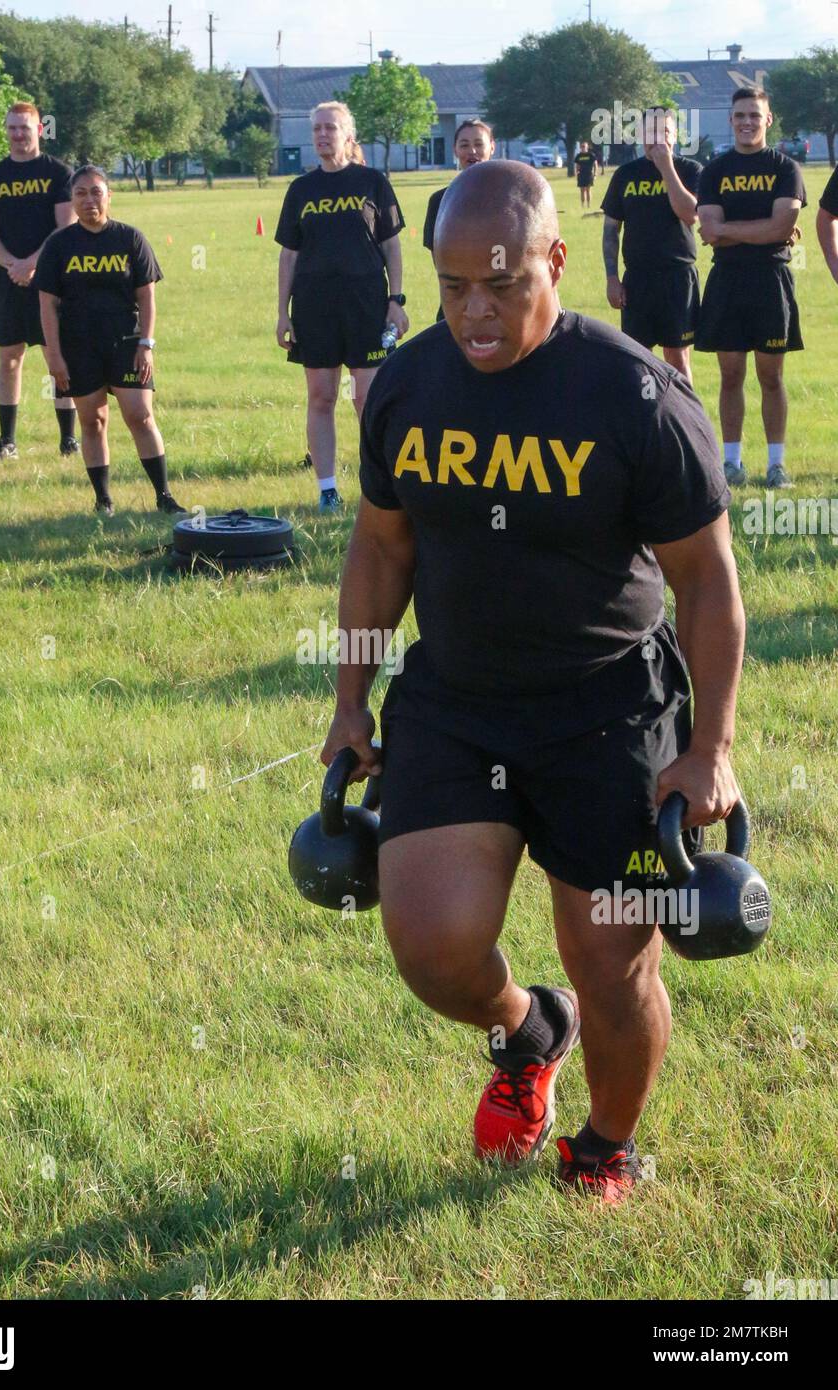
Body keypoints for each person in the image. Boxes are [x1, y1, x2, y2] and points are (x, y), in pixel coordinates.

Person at [321, 161, 742, 1205]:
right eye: (453, 283)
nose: (474, 310)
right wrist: (347, 703)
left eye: (501, 285)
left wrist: (711, 747)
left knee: (612, 963)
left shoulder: (636, 393)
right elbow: (381, 550)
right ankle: (526, 1028)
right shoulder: (410, 384)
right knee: (431, 946)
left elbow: (706, 580)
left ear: (556, 262)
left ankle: (606, 1145)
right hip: (456, 702)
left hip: (607, 710)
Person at [275, 101, 408, 513]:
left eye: (330, 128)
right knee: (321, 396)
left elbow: (390, 245)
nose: (321, 135)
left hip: (366, 306)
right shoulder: (301, 190)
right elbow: (289, 255)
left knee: (367, 397)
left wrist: (396, 300)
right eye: (316, 128)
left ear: (348, 135)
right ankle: (328, 489)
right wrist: (283, 312)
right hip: (315, 309)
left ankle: (379, 485)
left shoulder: (372, 182)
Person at [35, 166, 186, 517]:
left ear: (108, 195)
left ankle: (164, 496)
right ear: (72, 200)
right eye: (81, 193)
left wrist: (146, 344)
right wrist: (54, 357)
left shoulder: (130, 239)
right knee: (93, 422)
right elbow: (47, 304)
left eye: (95, 192)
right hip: (79, 346)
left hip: (127, 342)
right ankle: (103, 500)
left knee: (140, 415)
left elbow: (147, 298)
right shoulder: (59, 245)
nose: (89, 200)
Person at [696, 87, 806, 488]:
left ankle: (776, 466)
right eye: (740, 115)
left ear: (768, 120)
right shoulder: (714, 171)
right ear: (730, 120)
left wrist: (729, 230)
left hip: (771, 281)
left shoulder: (785, 169)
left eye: (755, 116)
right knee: (730, 375)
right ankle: (732, 463)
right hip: (727, 281)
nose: (747, 122)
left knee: (772, 376)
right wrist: (763, 232)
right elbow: (709, 232)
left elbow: (782, 227)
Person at [0, 101, 79, 461]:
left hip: (50, 279)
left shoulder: (58, 173)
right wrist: (11, 265)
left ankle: (68, 440)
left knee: (56, 357)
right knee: (9, 359)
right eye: (12, 128)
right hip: (7, 280)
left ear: (40, 129)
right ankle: (7, 441)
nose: (18, 134)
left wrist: (32, 264)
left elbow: (66, 227)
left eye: (25, 127)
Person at [601, 108, 702, 384]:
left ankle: (683, 418)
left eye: (664, 132)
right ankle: (642, 420)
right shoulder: (625, 175)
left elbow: (690, 214)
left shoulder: (689, 170)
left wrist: (666, 168)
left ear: (675, 135)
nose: (656, 139)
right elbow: (611, 230)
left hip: (677, 276)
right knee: (636, 357)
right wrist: (612, 278)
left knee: (678, 357)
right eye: (650, 132)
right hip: (637, 279)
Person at [423, 119, 495, 321]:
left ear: (492, 147)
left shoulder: (510, 197)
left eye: (479, 144)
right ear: (455, 150)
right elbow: (440, 262)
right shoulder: (440, 201)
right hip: (457, 301)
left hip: (502, 300)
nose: (472, 150)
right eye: (464, 145)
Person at [575, 140, 599, 208]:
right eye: (582, 147)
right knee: (582, 191)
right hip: (581, 175)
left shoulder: (591, 155)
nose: (583, 148)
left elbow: (596, 165)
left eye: (584, 146)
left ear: (587, 147)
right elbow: (577, 166)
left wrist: (595, 174)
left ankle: (588, 205)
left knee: (588, 190)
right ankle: (582, 205)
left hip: (589, 175)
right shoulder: (578, 156)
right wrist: (576, 173)